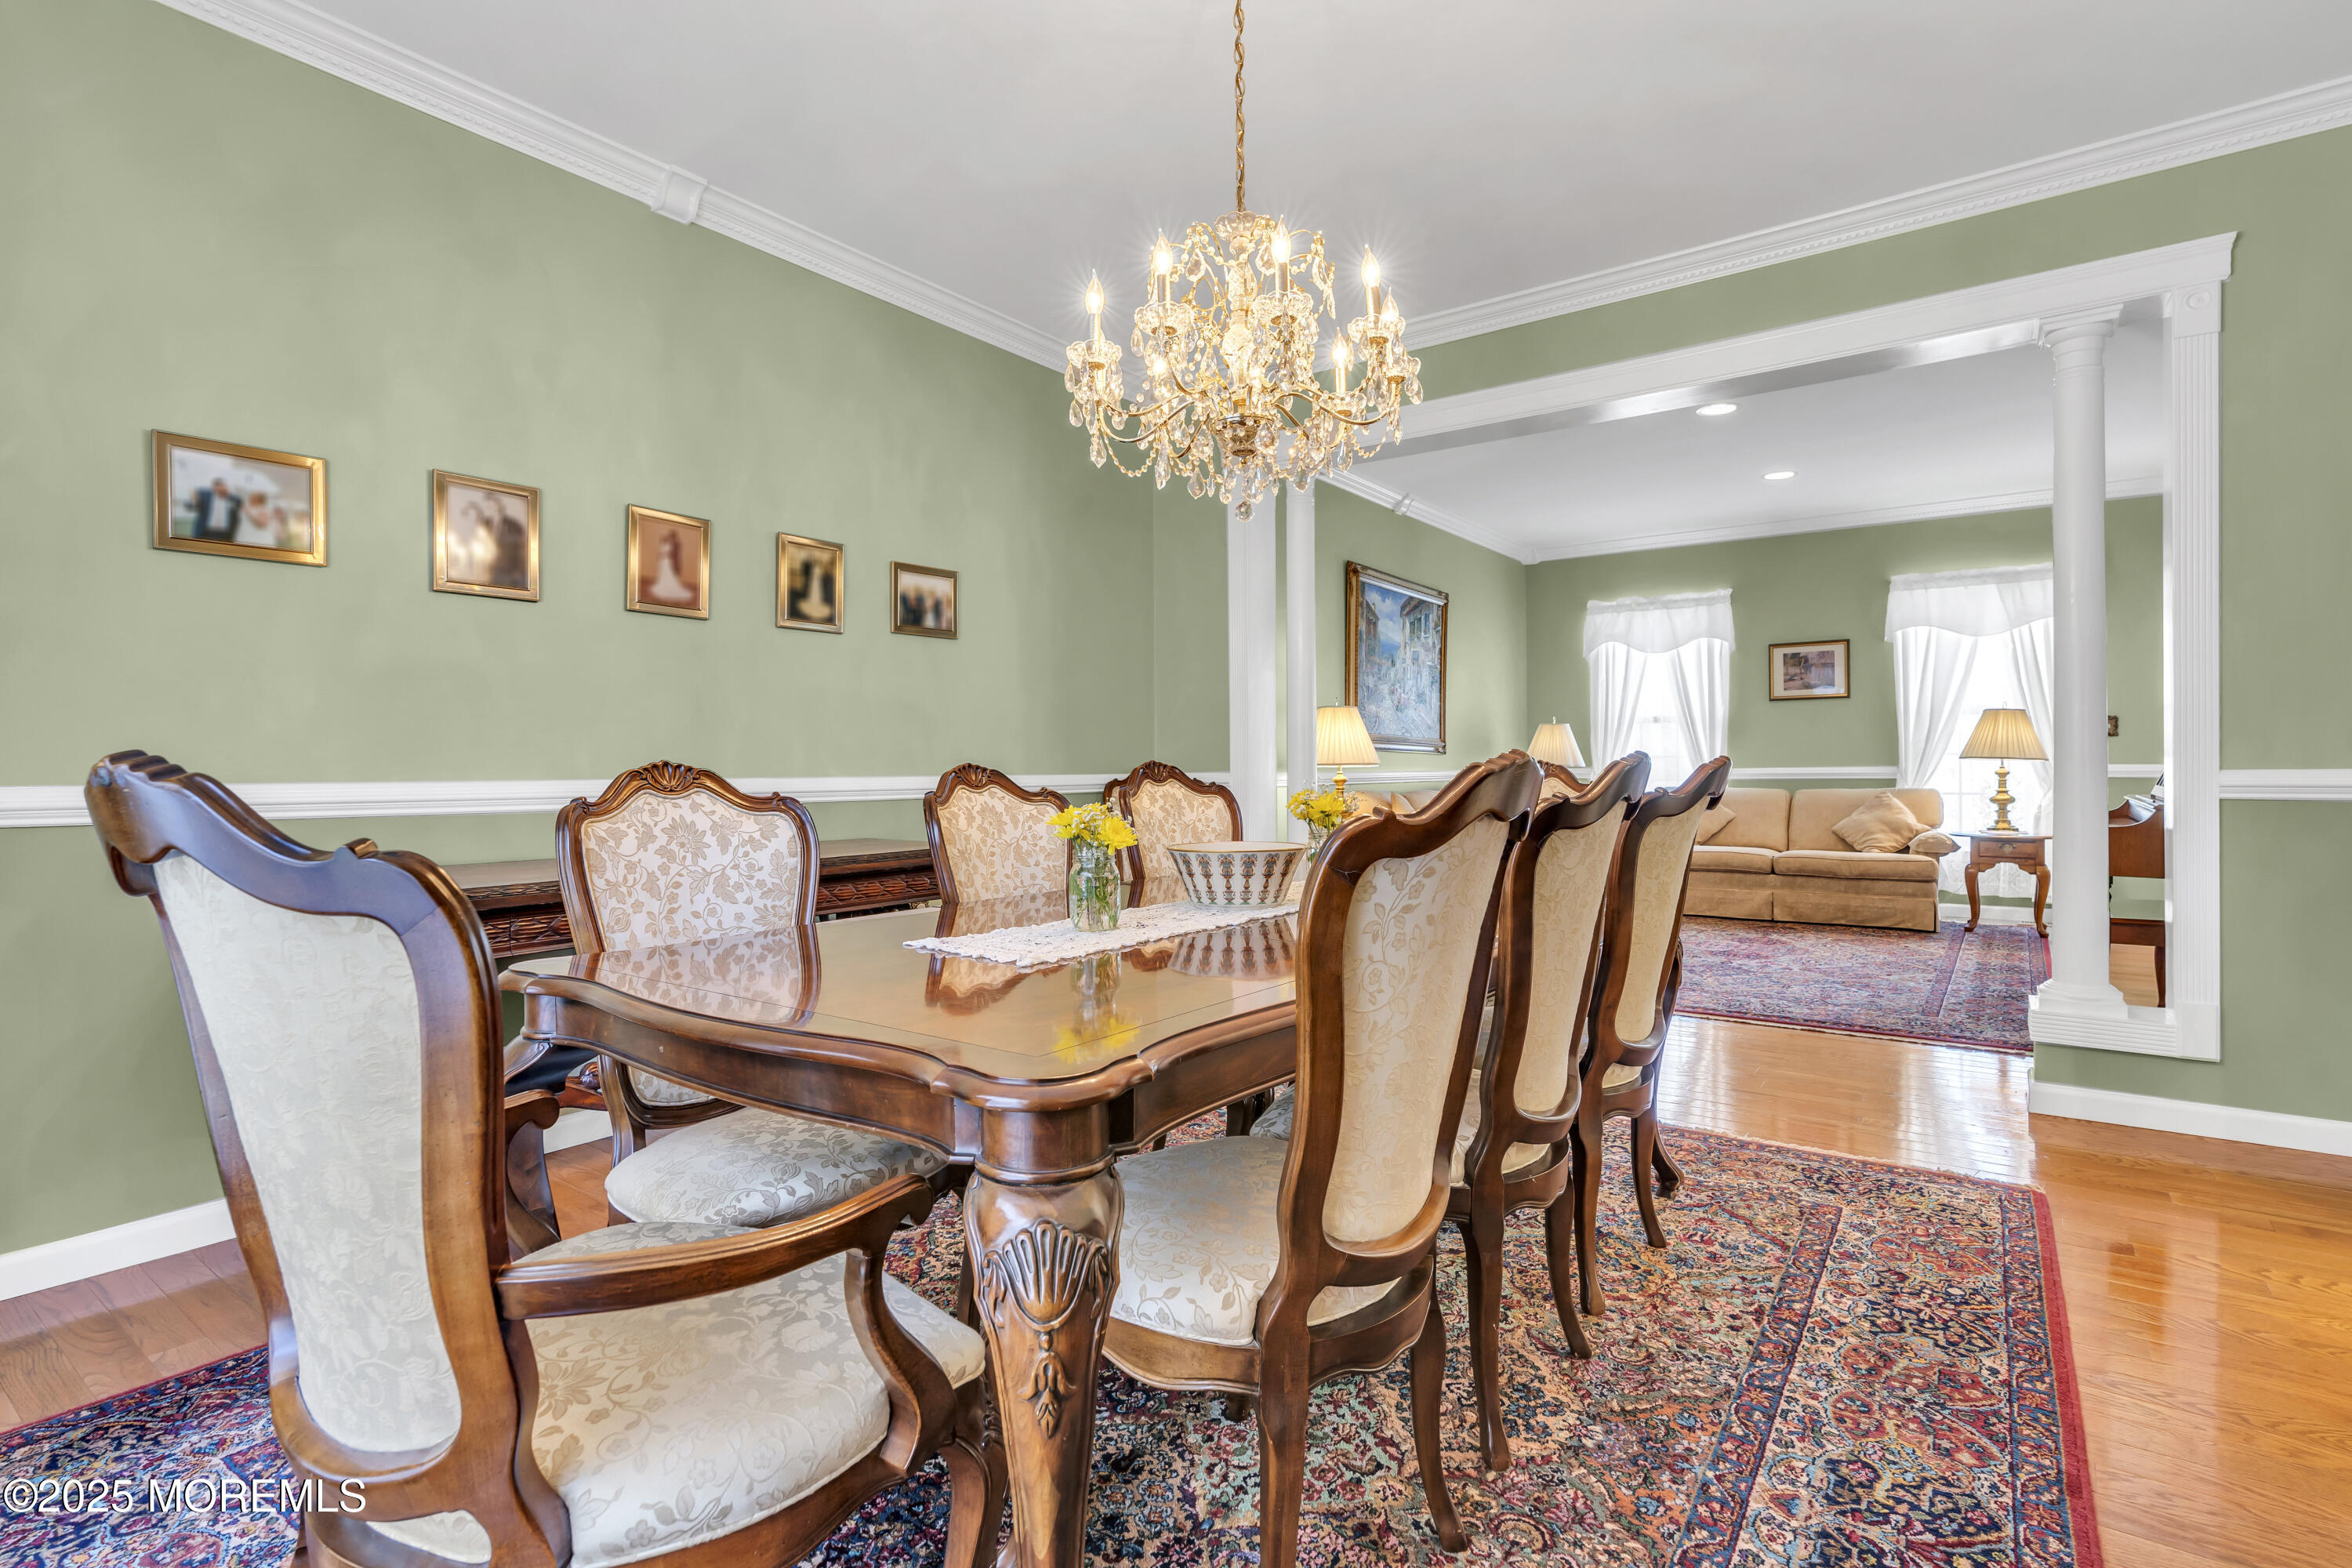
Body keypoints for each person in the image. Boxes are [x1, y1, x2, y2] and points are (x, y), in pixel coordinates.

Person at [644, 531, 696, 605]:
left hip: (667, 561)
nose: (666, 539)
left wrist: (662, 555)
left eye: (670, 537)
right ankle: (663, 584)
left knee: (668, 573)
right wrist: (660, 557)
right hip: (663, 562)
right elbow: (662, 552)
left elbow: (670, 554)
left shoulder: (672, 544)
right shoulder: (664, 544)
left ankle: (669, 585)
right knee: (663, 574)